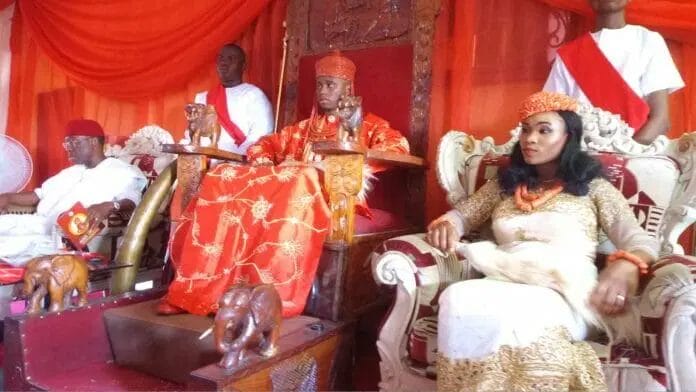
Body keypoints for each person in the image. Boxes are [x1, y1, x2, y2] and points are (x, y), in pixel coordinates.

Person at [426, 91, 659, 391]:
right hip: (504, 279)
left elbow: (640, 240)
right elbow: (462, 215)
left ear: (568, 136)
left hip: (565, 289)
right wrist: (448, 224)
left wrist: (626, 267)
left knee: (522, 314)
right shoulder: (505, 185)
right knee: (458, 298)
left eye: (544, 130)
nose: (530, 139)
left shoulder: (594, 187)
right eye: (526, 129)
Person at [158, 52, 410, 317]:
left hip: (331, 197)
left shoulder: (369, 125)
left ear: (347, 88)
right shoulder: (301, 130)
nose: (322, 91)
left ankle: (265, 300)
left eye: (330, 85)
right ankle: (199, 289)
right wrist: (266, 163)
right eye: (320, 84)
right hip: (281, 192)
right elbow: (263, 145)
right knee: (223, 175)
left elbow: (398, 147)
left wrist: (350, 155)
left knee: (300, 177)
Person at [0, 119, 147, 266]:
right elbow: (37, 195)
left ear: (93, 142)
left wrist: (109, 205)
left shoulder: (122, 172)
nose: (68, 148)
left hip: (61, 236)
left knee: (9, 245)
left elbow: (132, 200)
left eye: (74, 142)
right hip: (35, 224)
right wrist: (7, 197)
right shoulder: (70, 172)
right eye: (67, 143)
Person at [544, 0, 684, 144]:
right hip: (583, 156)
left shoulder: (648, 40)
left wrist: (623, 156)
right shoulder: (569, 54)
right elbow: (552, 118)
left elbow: (660, 120)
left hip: (638, 154)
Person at [187, 43, 274, 155]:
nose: (224, 63)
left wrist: (232, 159)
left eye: (231, 59)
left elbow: (260, 136)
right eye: (221, 58)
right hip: (197, 158)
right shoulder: (202, 97)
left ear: (243, 66)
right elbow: (191, 134)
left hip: (233, 162)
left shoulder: (255, 95)